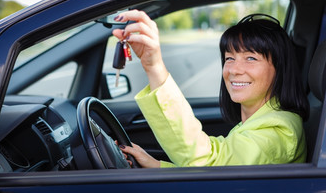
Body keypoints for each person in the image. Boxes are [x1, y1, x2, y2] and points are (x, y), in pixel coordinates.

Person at [112, 10, 309, 168]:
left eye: (251, 58)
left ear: (279, 69)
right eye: (229, 58)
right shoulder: (257, 122)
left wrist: (154, 67)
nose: (233, 70)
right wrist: (156, 167)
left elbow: (209, 164)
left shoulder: (279, 132)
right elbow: (221, 173)